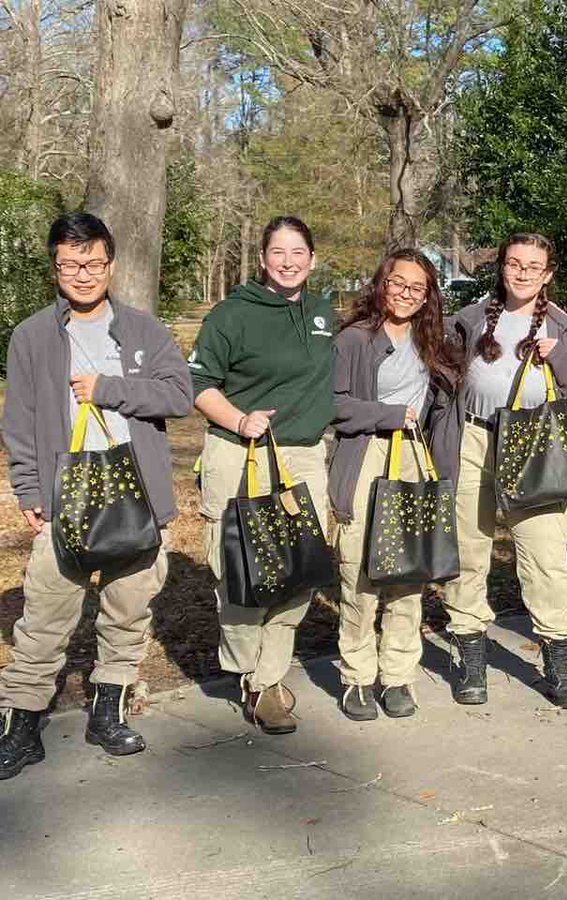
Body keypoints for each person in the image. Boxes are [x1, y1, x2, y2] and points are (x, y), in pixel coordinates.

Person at [0, 212, 192, 779]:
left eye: (91, 263)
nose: (81, 275)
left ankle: (107, 712)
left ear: (109, 263)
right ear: (55, 266)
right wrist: (30, 489)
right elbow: (20, 421)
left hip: (138, 500)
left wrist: (108, 390)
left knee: (127, 615)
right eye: (68, 264)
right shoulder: (33, 336)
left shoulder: (143, 330)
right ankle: (23, 726)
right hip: (66, 500)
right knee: (43, 619)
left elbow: (179, 395)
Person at [189, 216, 335, 734]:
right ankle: (246, 669)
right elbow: (200, 383)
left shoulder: (324, 312)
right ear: (263, 259)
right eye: (279, 252)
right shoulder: (232, 314)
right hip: (239, 452)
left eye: (299, 252)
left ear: (312, 260)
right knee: (240, 569)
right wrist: (239, 419)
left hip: (302, 457)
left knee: (298, 568)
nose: (289, 261)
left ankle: (270, 678)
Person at [441, 233, 567, 709]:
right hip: (474, 438)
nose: (522, 272)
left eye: (534, 265)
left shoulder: (562, 327)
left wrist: (556, 357)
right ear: (501, 267)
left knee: (546, 556)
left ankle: (559, 664)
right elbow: (444, 382)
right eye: (514, 263)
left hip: (533, 442)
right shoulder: (468, 319)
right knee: (468, 550)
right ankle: (471, 660)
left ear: (548, 273)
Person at [328, 248, 462, 722]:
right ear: (381, 284)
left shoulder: (434, 341)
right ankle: (357, 678)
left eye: (417, 288)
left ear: (428, 296)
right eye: (398, 283)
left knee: (408, 573)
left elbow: (445, 407)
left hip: (415, 457)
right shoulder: (353, 341)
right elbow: (335, 404)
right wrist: (388, 414)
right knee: (361, 573)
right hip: (368, 454)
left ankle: (399, 675)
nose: (405, 294)